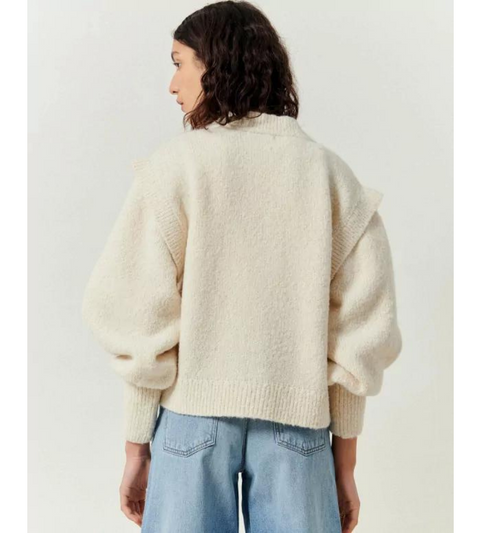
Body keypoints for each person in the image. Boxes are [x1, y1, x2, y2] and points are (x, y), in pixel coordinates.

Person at [81, 1, 403, 532]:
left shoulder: (176, 168)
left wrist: (137, 447)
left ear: (215, 64)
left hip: (190, 419)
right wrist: (344, 464)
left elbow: (139, 316)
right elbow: (360, 329)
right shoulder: (328, 175)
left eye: (179, 63)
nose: (172, 84)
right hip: (298, 426)